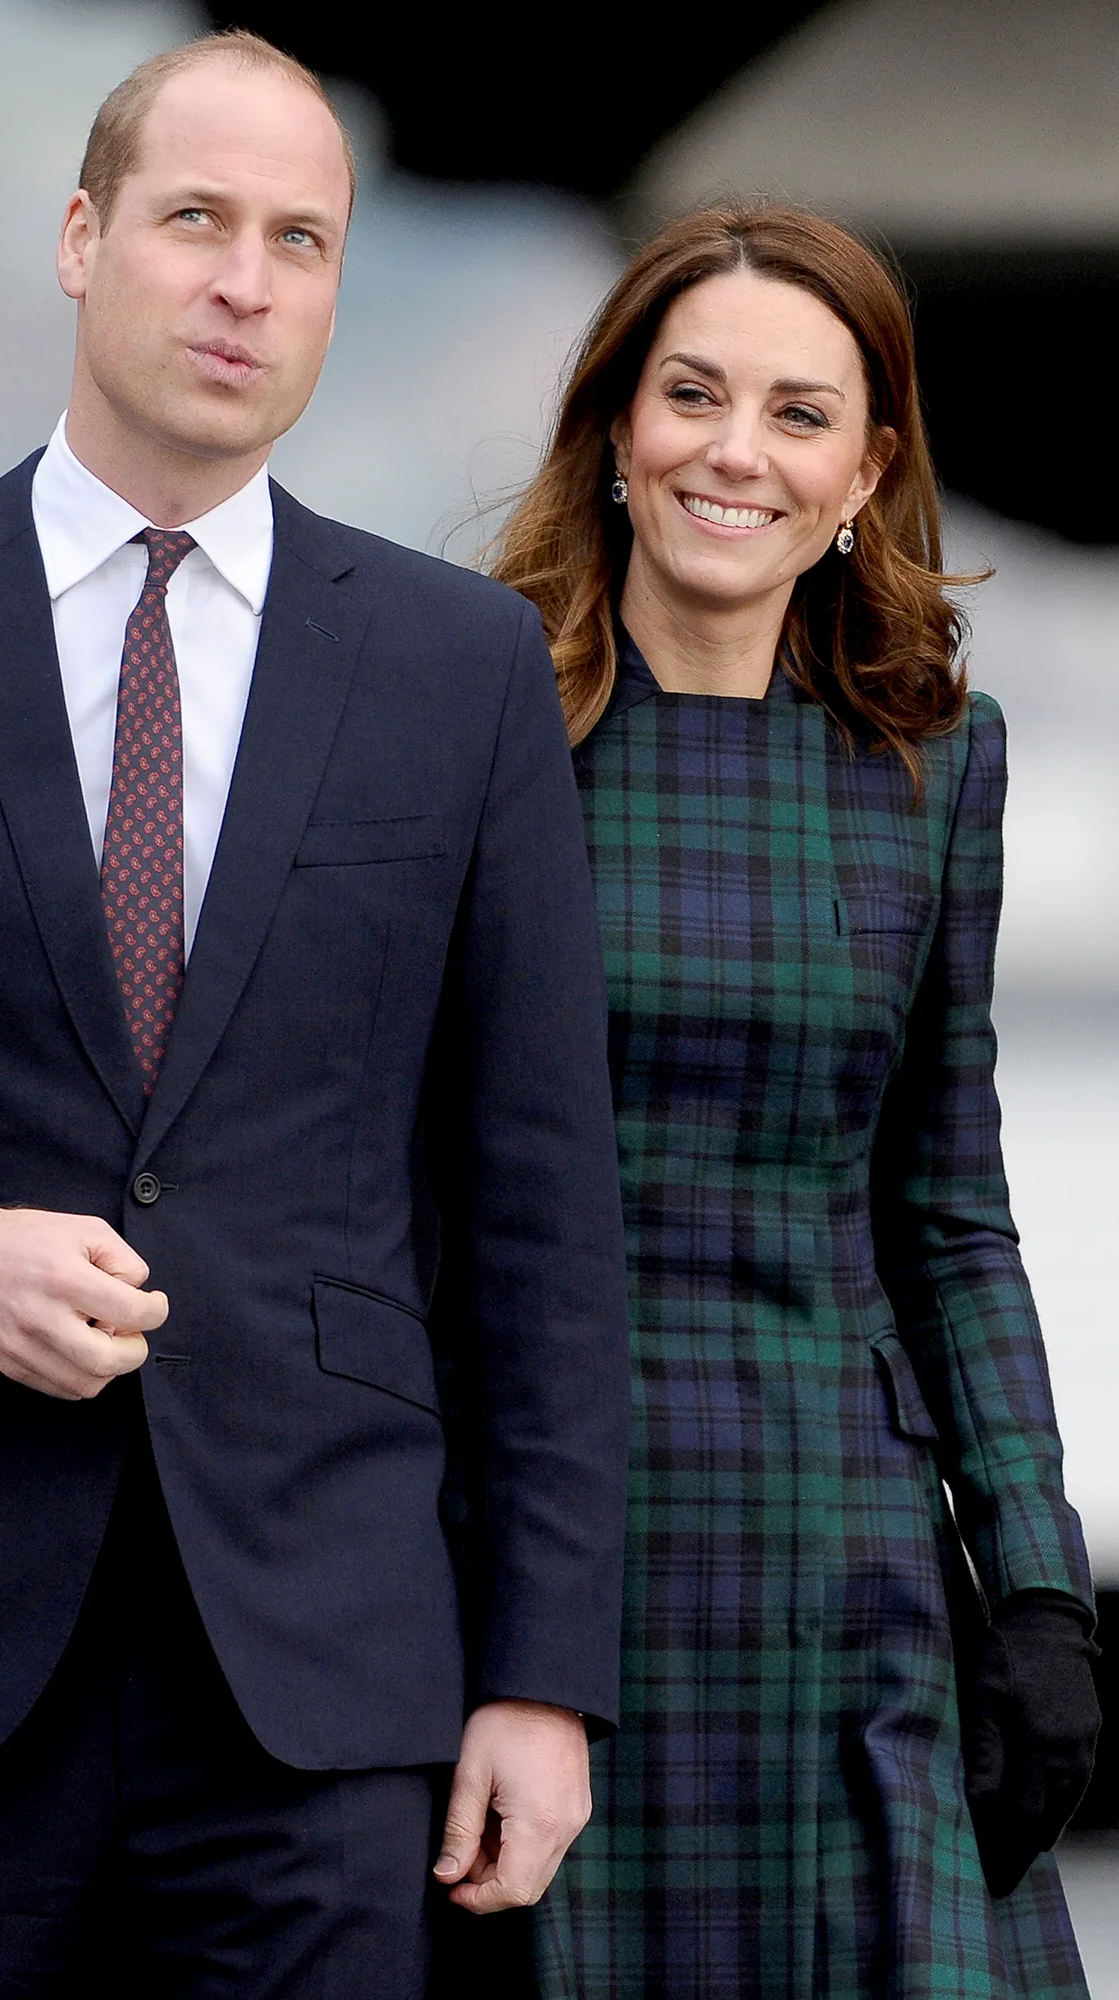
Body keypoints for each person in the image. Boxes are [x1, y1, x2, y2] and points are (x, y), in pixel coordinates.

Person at [0, 32, 631, 1998]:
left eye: (297, 240)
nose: (243, 280)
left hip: (318, 1695)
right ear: (80, 236)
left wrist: (543, 1681)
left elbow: (542, 1223)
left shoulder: (459, 670)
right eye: (195, 220)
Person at [488, 204, 1102, 1998]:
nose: (733, 453)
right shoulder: (471, 726)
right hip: (546, 1555)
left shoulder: (928, 757)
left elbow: (948, 1208)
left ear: (867, 466)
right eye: (691, 395)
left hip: (844, 1554)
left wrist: (1040, 1588)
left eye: (797, 412)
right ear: (615, 427)